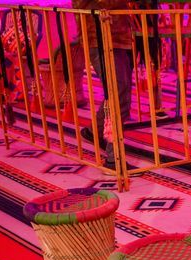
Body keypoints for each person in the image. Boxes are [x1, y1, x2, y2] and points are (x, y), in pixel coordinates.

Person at [73, 0, 133, 168]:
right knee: (119, 94)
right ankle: (114, 158)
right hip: (99, 35)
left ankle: (94, 131)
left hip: (118, 35)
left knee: (120, 92)